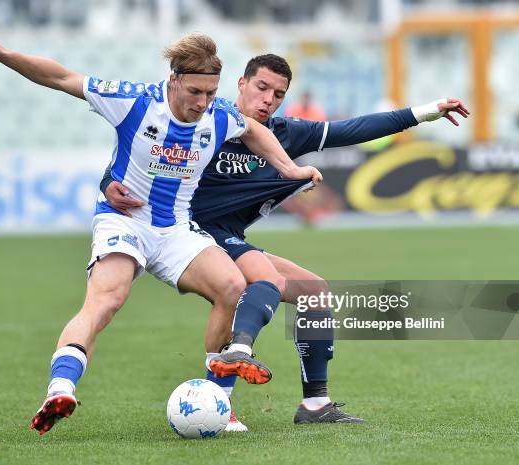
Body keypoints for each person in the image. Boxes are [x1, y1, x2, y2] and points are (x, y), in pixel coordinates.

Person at [0, 33, 323, 436]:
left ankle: (219, 401)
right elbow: (61, 77)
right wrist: (2, 54)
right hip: (125, 222)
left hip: (175, 229)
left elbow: (254, 132)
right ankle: (60, 390)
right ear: (173, 80)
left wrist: (289, 169)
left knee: (231, 286)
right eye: (194, 92)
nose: (203, 102)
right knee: (107, 300)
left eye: (210, 92)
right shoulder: (135, 101)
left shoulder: (218, 116)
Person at [101, 54, 470, 431]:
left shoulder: (285, 134)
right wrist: (106, 184)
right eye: (261, 87)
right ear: (241, 84)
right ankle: (231, 374)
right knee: (266, 277)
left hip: (230, 237)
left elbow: (353, 129)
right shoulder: (211, 121)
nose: (268, 99)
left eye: (278, 94)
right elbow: (146, 157)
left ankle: (315, 403)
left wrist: (426, 112)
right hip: (193, 235)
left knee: (315, 291)